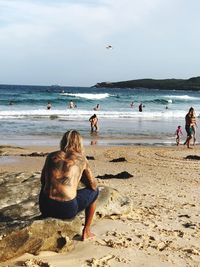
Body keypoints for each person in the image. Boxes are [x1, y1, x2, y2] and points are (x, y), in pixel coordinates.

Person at [39, 130, 99, 241]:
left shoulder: (51, 156)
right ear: (79, 143)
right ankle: (86, 230)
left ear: (63, 141)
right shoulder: (82, 159)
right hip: (66, 210)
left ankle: (46, 215)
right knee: (96, 192)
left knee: (45, 188)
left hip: (45, 207)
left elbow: (42, 180)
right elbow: (93, 186)